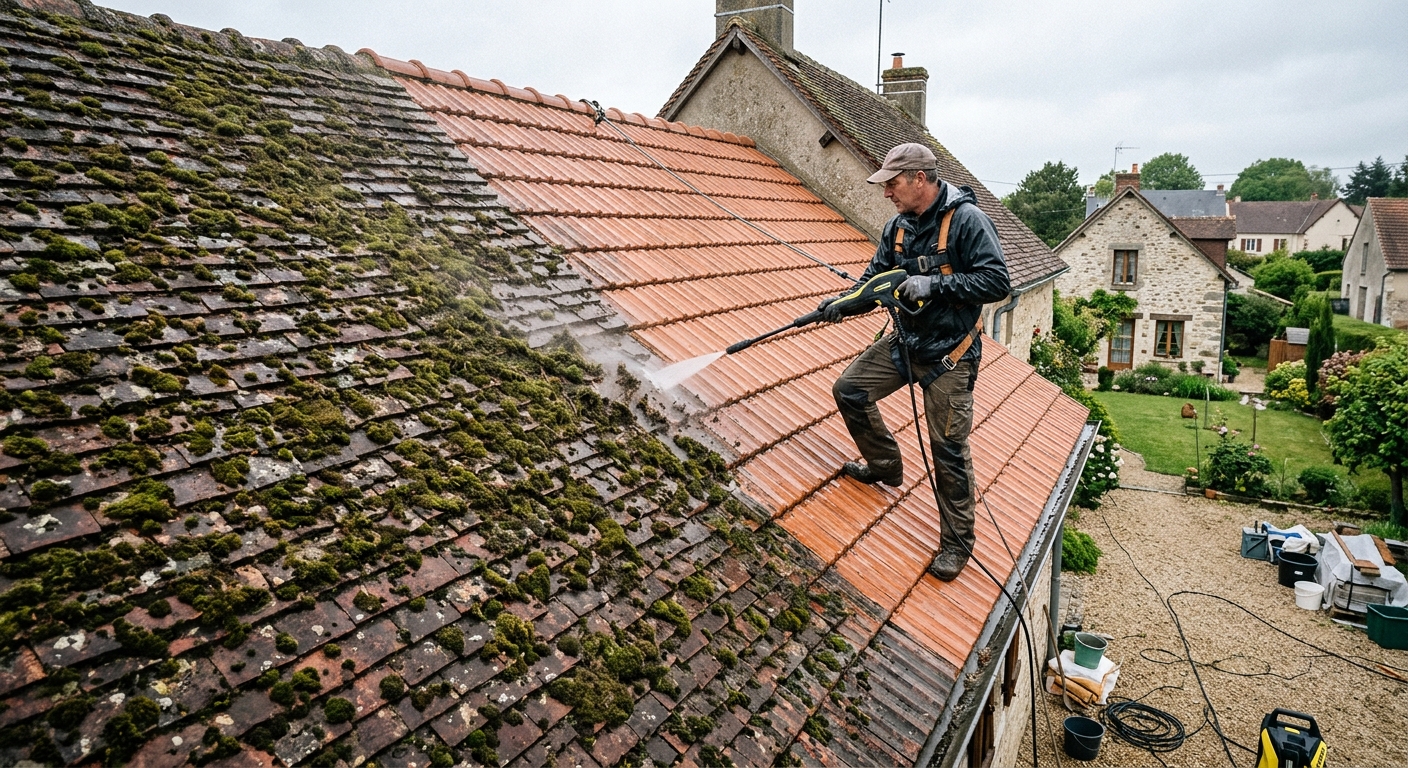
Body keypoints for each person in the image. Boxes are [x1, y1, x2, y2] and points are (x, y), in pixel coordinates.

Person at [820, 143, 1010, 581]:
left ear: (919, 179)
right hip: (906, 342)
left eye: (892, 183)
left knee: (948, 451)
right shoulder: (897, 228)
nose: (887, 192)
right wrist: (842, 304)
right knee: (850, 390)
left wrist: (934, 285)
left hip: (949, 355)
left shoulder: (967, 221)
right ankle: (886, 466)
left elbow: (997, 281)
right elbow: (874, 281)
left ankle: (957, 544)